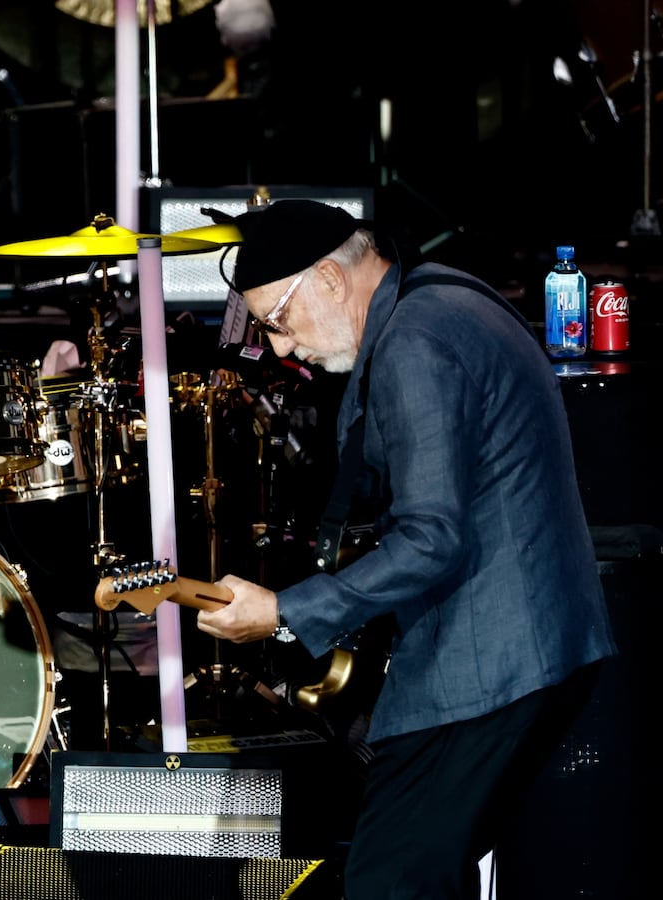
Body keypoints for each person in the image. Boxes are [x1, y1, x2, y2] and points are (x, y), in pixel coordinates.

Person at [192, 199, 616, 898]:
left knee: (390, 881)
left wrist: (284, 612)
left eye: (276, 322)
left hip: (488, 664)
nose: (281, 348)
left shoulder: (414, 342)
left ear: (329, 280)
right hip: (540, 645)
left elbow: (432, 538)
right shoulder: (446, 295)